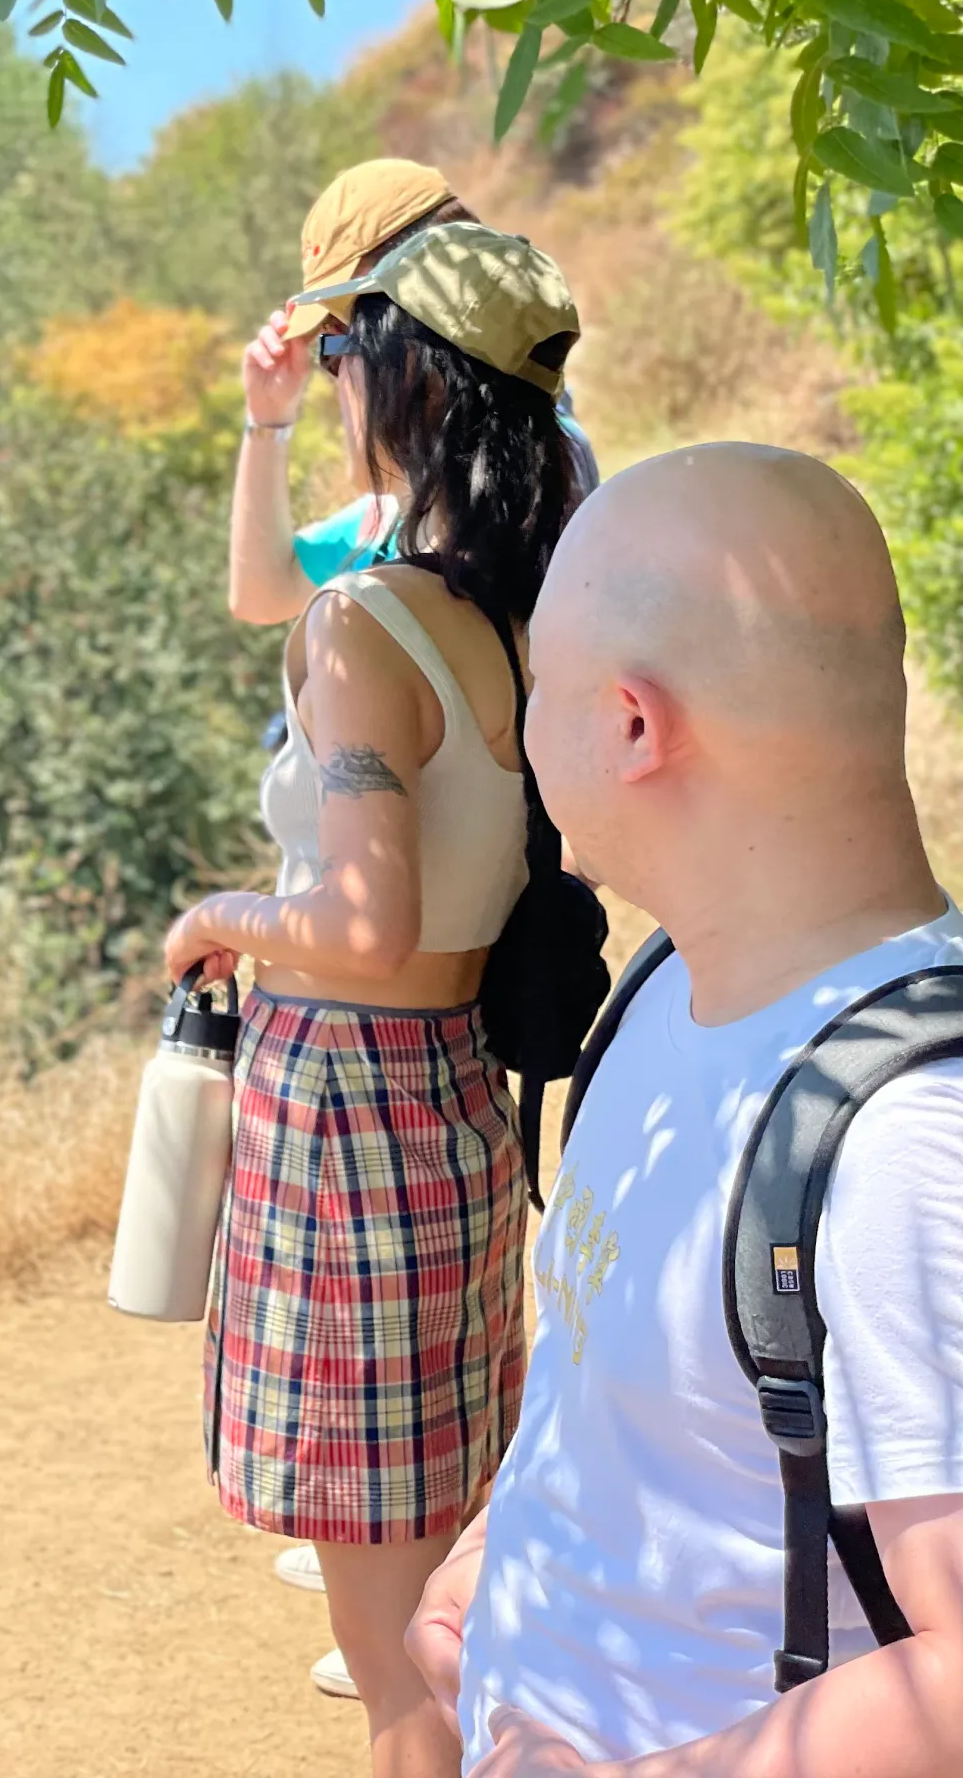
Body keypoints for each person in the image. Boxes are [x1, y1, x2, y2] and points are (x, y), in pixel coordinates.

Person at [404, 444, 963, 1778]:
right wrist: (496, 1556)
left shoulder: (909, 1139)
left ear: (634, 726)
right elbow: (625, 1367)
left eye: (540, 690)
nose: (522, 735)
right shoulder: (667, 986)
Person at [162, 222, 582, 1778]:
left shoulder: (365, 623)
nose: (334, 379)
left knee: (394, 1654)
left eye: (346, 353)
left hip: (346, 1106)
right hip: (466, 1097)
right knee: (458, 1595)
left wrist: (217, 916)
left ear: (396, 379)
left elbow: (359, 915)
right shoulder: (530, 611)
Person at [231, 159, 600, 628]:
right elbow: (263, 595)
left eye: (341, 338)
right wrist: (268, 420)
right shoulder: (444, 487)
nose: (339, 373)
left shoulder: (520, 474)